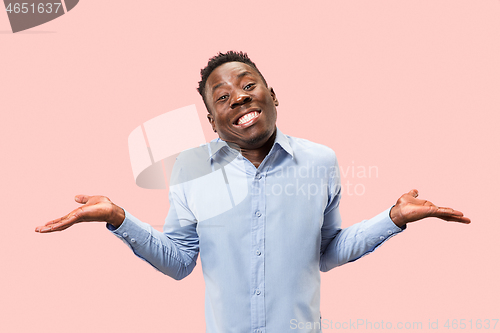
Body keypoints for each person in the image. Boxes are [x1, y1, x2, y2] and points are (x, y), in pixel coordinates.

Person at [35, 51, 470, 333]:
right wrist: (119, 219)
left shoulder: (320, 161)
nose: (239, 99)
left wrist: (391, 219)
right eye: (222, 97)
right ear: (212, 119)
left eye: (248, 85)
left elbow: (327, 251)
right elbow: (180, 261)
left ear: (272, 94)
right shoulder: (190, 169)